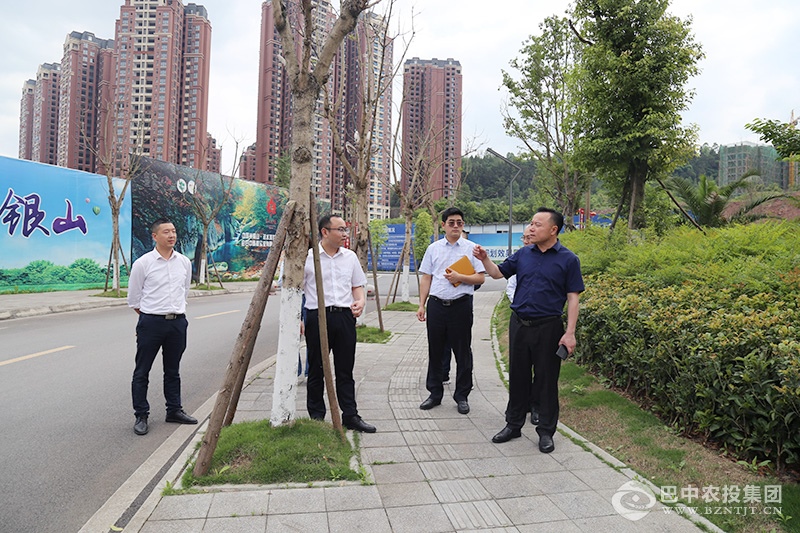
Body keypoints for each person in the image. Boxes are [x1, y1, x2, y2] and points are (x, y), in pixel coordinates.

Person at [474, 207, 584, 453]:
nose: (530, 228)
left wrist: (570, 333)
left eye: (537, 224)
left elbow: (573, 298)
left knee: (546, 381)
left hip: (548, 327)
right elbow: (497, 273)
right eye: (531, 223)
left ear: (553, 230)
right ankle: (513, 425)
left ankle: (546, 431)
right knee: (518, 377)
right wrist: (484, 259)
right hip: (520, 325)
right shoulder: (523, 254)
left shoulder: (568, 259)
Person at [304, 214, 376, 433]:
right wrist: (298, 318)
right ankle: (317, 418)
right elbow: (293, 288)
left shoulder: (350, 257)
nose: (345, 234)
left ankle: (350, 416)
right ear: (325, 232)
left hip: (344, 317)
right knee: (316, 369)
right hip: (317, 317)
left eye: (346, 229)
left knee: (345, 370)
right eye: (341, 229)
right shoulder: (307, 258)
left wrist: (360, 301)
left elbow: (357, 285)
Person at [127, 218, 198, 436]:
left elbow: (184, 291)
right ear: (155, 236)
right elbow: (134, 299)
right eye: (166, 232)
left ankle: (174, 410)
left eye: (173, 231)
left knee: (173, 370)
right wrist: (151, 316)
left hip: (177, 323)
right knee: (142, 371)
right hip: (151, 323)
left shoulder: (184, 262)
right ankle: (141, 415)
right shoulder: (143, 263)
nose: (171, 235)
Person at [417, 207, 485, 415]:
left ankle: (462, 395)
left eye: (459, 222)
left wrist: (460, 277)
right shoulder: (433, 248)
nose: (456, 226)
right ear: (443, 225)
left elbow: (481, 278)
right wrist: (421, 304)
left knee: (463, 351)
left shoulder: (472, 249)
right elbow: (426, 277)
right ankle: (434, 393)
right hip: (437, 305)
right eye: (451, 222)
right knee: (435, 350)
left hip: (461, 305)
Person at [505, 225, 541, 425]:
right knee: (519, 368)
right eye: (524, 238)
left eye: (530, 237)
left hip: (543, 322)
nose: (527, 241)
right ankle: (517, 408)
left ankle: (537, 406)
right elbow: (510, 287)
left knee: (541, 369)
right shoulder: (520, 258)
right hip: (520, 318)